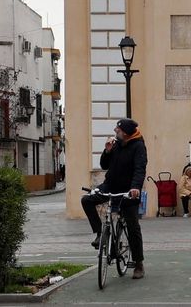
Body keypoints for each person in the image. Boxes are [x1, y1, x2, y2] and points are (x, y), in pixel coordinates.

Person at [82, 118, 148, 279]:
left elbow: (140, 169)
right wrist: (107, 151)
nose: (114, 131)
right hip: (110, 186)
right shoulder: (116, 144)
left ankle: (138, 263)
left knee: (133, 227)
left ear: (124, 132)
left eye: (117, 129)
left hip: (129, 192)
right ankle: (100, 233)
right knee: (87, 200)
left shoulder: (138, 146)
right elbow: (104, 165)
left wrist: (135, 188)